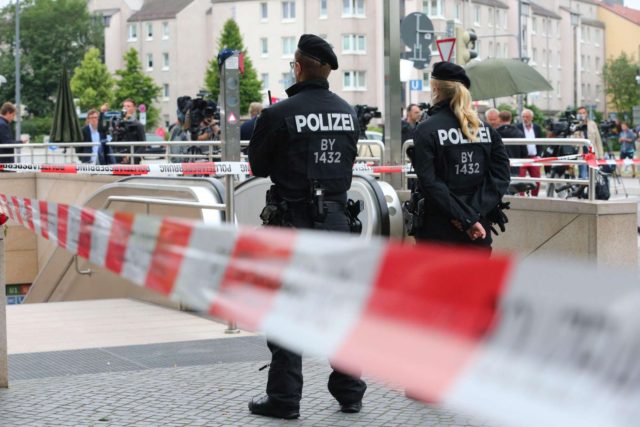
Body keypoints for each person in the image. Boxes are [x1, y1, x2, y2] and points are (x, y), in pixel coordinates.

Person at [248, 34, 366, 420]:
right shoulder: (347, 112)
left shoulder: (280, 114)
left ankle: (284, 399)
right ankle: (349, 391)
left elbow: (259, 166)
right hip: (336, 222)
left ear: (298, 67)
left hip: (292, 224)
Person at [410, 62, 510, 250]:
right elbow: (501, 177)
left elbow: (430, 182)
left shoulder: (426, 129)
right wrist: (472, 215)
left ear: (436, 88)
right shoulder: (486, 130)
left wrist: (464, 218)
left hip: (438, 230)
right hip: (479, 228)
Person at [515, 109, 543, 196]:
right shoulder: (517, 127)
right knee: (520, 180)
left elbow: (540, 142)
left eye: (527, 116)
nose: (525, 119)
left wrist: (539, 155)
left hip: (534, 157)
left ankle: (534, 197)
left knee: (537, 180)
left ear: (532, 118)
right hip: (522, 158)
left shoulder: (537, 128)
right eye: (523, 116)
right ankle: (521, 198)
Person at [574, 106, 603, 179]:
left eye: (584, 113)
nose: (582, 115)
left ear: (587, 114)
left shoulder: (592, 124)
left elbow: (598, 141)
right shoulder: (575, 126)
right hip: (582, 155)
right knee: (583, 177)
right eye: (580, 113)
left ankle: (592, 190)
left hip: (592, 155)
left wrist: (601, 156)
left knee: (593, 178)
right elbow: (574, 143)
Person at [495, 110, 526, 177]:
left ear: (499, 119)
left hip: (499, 168)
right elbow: (524, 152)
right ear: (510, 119)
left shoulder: (495, 133)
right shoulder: (519, 133)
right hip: (515, 166)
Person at [114, 98, 146, 164]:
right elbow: (115, 141)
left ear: (134, 109)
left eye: (128, 106)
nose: (125, 108)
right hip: (119, 159)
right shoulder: (118, 124)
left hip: (133, 161)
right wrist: (120, 155)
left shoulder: (138, 125)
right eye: (124, 106)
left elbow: (143, 145)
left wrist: (132, 157)